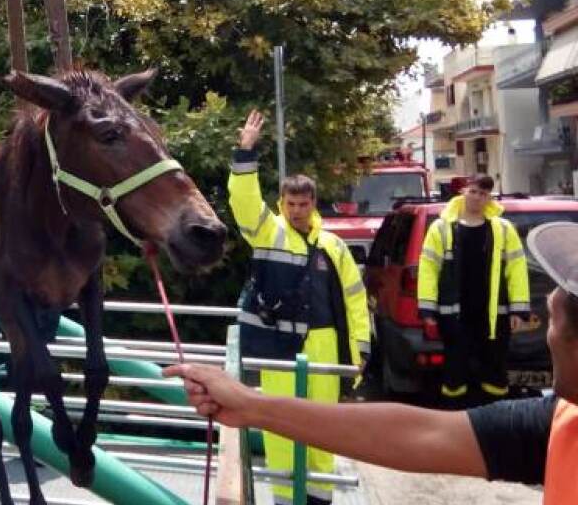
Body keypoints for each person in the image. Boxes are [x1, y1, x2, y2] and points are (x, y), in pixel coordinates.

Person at [166, 220, 578, 504]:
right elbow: (422, 433)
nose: (546, 328)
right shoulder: (558, 424)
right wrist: (251, 406)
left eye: (554, 320)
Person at [228, 109, 371, 505]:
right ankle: (285, 499)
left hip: (324, 345)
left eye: (303, 204)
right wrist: (245, 153)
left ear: (314, 203)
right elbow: (244, 202)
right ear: (282, 203)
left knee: (322, 429)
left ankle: (319, 498)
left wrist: (360, 349)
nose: (296, 210)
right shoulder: (268, 232)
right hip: (279, 349)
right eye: (290, 203)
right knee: (280, 429)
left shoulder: (333, 246)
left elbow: (355, 301)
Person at [418, 174, 529, 406]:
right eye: (474, 191)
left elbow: (516, 269)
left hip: (494, 318)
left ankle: (494, 418)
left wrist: (518, 310)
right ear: (463, 192)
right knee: (455, 374)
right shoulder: (441, 228)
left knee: (495, 373)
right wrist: (427, 309)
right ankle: (456, 417)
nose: (477, 197)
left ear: (489, 198)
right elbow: (428, 269)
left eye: (483, 193)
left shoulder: (503, 229)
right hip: (454, 318)